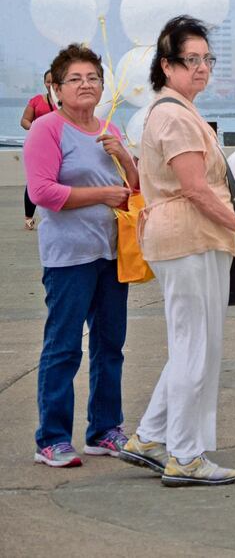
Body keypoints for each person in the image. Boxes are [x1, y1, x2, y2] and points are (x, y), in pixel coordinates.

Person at [120, 16, 235, 487]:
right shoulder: (173, 115)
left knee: (191, 344)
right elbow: (196, 189)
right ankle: (184, 455)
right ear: (166, 66)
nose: (202, 67)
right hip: (189, 237)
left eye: (208, 59)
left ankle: (150, 436)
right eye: (192, 60)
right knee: (196, 349)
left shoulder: (176, 111)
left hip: (189, 238)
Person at [23, 45, 135, 467]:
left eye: (93, 78)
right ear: (55, 87)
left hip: (111, 254)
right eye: (75, 79)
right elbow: (42, 193)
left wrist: (124, 155)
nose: (86, 85)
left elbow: (133, 188)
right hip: (69, 258)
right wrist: (101, 195)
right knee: (64, 348)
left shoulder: (109, 129)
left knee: (111, 346)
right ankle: (51, 438)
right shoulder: (47, 129)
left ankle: (104, 429)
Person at [21, 70, 57, 229]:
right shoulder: (36, 100)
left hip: (59, 147)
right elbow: (24, 121)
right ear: (44, 83)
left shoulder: (66, 102)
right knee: (34, 181)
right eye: (48, 82)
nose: (51, 85)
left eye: (54, 82)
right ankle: (28, 217)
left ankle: (57, 217)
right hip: (39, 146)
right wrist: (37, 127)